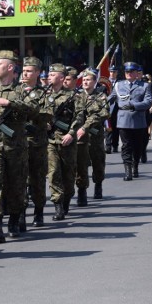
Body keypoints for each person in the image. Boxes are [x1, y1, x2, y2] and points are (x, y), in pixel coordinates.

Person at [0, 51, 36, 242]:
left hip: (16, 145)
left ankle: (14, 218)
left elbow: (33, 110)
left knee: (16, 184)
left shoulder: (22, 90)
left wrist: (10, 103)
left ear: (10, 67)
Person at [46, 64, 85, 220]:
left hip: (67, 139)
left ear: (61, 78)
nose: (49, 77)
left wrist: (71, 133)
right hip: (50, 140)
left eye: (53, 74)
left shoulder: (75, 96)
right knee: (54, 172)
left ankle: (67, 198)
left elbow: (79, 117)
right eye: (49, 74)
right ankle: (58, 205)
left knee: (68, 175)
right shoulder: (44, 95)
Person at [108, 62, 152, 180]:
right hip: (123, 120)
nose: (128, 74)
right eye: (127, 72)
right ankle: (128, 171)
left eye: (131, 72)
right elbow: (111, 98)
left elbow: (149, 101)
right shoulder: (119, 85)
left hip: (138, 120)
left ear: (136, 73)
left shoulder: (144, 86)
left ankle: (135, 166)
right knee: (126, 146)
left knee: (138, 146)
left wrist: (134, 106)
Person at [21, 57, 52, 227]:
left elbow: (46, 115)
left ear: (38, 73)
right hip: (19, 142)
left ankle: (39, 211)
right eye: (24, 70)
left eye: (29, 71)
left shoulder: (43, 94)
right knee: (20, 180)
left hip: (37, 143)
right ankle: (20, 214)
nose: (25, 73)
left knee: (37, 179)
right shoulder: (15, 91)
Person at [75, 68, 109, 202]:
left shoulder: (100, 96)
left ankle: (98, 185)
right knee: (81, 164)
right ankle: (82, 191)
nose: (85, 82)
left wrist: (88, 125)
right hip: (80, 137)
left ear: (95, 82)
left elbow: (104, 113)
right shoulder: (76, 97)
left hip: (95, 136)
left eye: (88, 80)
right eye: (83, 80)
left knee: (98, 162)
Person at [106, 67, 120, 153]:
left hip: (117, 107)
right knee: (108, 126)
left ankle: (115, 145)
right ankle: (108, 146)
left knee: (116, 128)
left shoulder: (120, 83)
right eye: (111, 72)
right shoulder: (104, 83)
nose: (112, 73)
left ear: (117, 73)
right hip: (107, 107)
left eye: (114, 72)